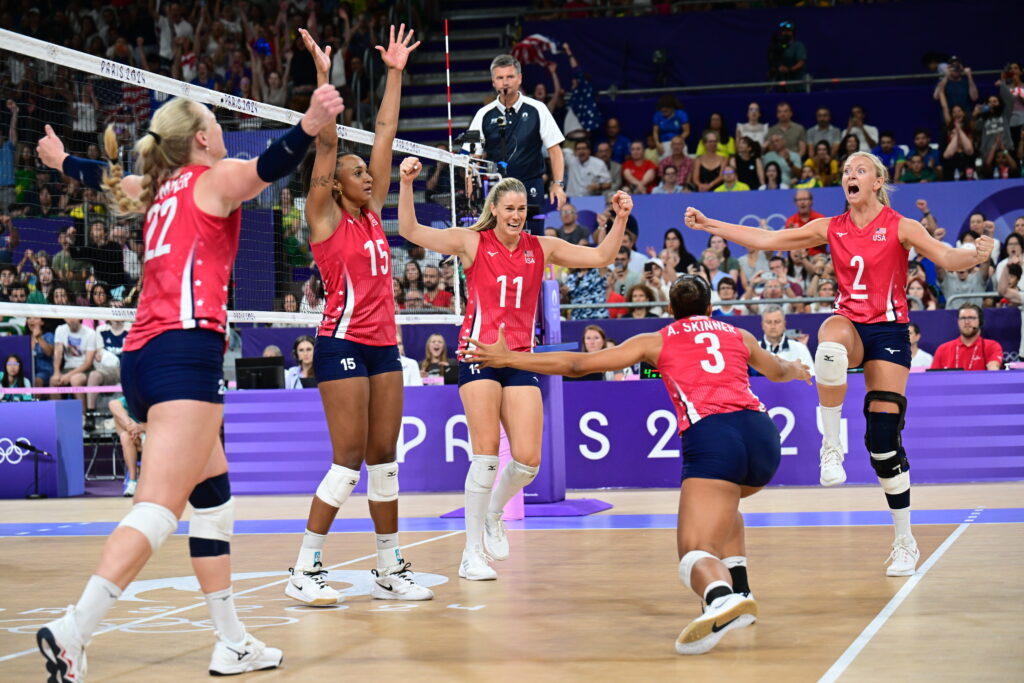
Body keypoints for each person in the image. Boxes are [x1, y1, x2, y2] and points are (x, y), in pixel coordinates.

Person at [32, 49, 342, 680]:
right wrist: (310, 120)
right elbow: (270, 165)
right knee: (158, 507)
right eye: (216, 123)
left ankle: (231, 641)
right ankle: (73, 630)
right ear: (202, 138)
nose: (223, 132)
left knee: (213, 496)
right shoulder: (214, 176)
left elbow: (98, 177)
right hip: (184, 351)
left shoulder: (155, 189)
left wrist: (62, 161)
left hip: (145, 358)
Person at [461, 275, 811, 655]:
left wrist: (509, 357)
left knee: (694, 551)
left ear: (671, 311)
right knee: (723, 506)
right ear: (711, 308)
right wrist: (799, 368)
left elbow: (579, 365)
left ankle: (721, 596)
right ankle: (741, 589)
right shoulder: (737, 334)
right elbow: (777, 370)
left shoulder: (657, 339)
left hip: (714, 438)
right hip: (763, 437)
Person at [685, 150, 993, 577]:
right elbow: (767, 240)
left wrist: (976, 254)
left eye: (859, 170)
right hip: (848, 322)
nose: (850, 175)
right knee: (828, 345)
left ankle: (904, 538)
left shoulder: (901, 226)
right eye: (847, 170)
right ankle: (832, 447)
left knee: (884, 444)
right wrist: (710, 225)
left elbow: (946, 257)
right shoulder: (831, 227)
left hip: (888, 330)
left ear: (877, 183)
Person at [399, 154, 633, 580]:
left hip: (520, 357)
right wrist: (407, 184)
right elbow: (410, 231)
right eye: (509, 208)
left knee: (527, 461)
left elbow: (601, 256)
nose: (516, 215)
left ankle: (493, 513)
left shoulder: (540, 247)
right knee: (486, 455)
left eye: (522, 208)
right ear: (494, 210)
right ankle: (472, 553)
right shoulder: (473, 243)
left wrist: (619, 218)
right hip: (477, 355)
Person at [286, 27, 434, 607]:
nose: (367, 176)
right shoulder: (325, 218)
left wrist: (395, 71)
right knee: (347, 461)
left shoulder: (372, 215)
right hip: (339, 344)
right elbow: (325, 147)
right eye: (357, 172)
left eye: (366, 172)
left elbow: (386, 132)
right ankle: (305, 567)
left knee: (384, 463)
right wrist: (323, 81)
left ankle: (389, 567)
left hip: (383, 347)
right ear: (335, 183)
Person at [464, 53, 567, 222]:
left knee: (532, 240)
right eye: (500, 77)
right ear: (493, 82)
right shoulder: (482, 114)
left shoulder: (538, 109)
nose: (505, 82)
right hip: (496, 188)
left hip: (531, 185)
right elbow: (472, 159)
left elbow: (555, 150)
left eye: (510, 76)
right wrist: (471, 192)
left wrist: (558, 184)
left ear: (519, 78)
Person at [930, 304, 1002, 371]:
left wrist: (993, 366)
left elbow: (994, 367)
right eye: (963, 318)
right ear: (958, 322)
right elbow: (933, 378)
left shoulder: (992, 346)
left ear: (980, 322)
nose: (967, 322)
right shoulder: (943, 349)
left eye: (971, 318)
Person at [757, 305, 814, 373]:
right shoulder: (754, 349)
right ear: (762, 325)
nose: (773, 326)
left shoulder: (800, 348)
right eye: (769, 322)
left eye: (777, 322)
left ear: (784, 324)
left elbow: (811, 376)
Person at [108, 396, 144, 496]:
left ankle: (136, 480)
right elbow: (113, 404)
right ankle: (133, 481)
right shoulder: (132, 398)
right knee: (125, 436)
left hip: (155, 436)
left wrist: (140, 428)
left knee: (127, 436)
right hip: (137, 437)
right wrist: (130, 425)